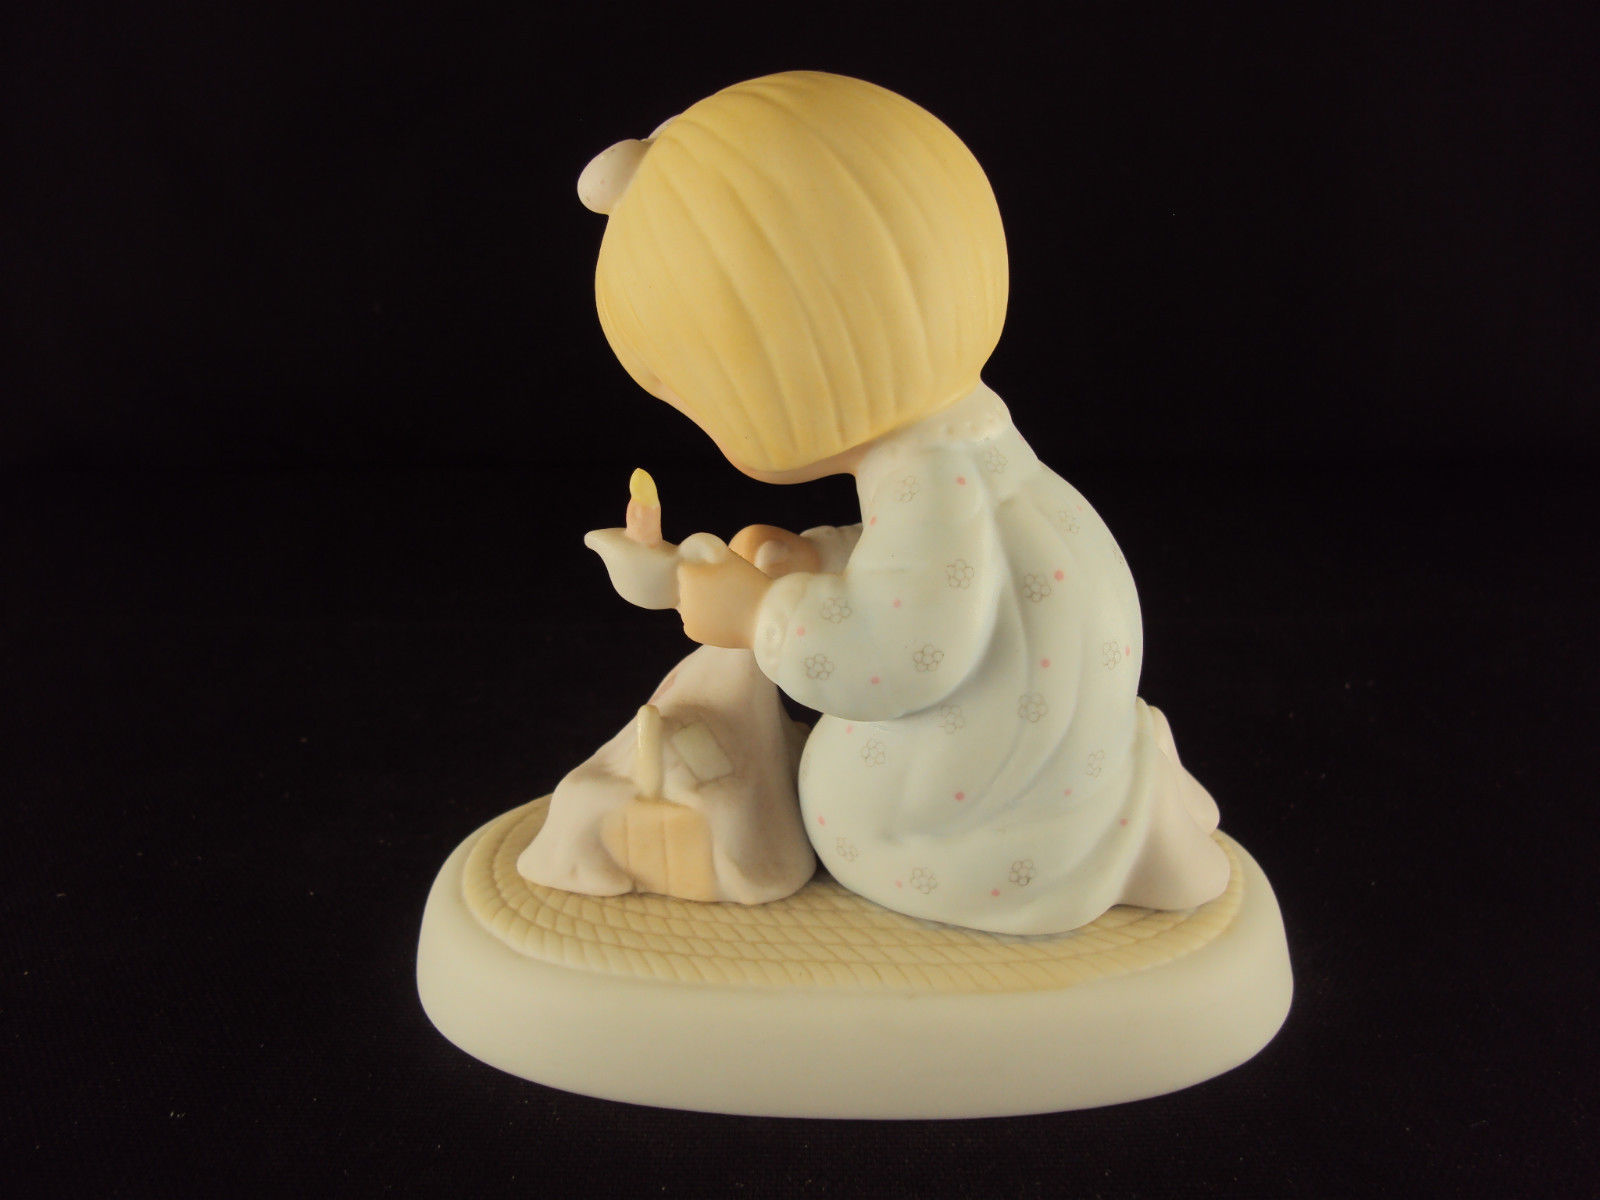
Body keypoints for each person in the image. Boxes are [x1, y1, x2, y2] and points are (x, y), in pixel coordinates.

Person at [577, 70, 1228, 934]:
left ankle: (1064, 849)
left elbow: (901, 654)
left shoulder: (932, 486)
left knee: (837, 804)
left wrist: (764, 616)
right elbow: (944, 578)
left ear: (789, 361)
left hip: (987, 816)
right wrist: (820, 560)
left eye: (690, 394)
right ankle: (1120, 813)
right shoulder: (970, 456)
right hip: (1061, 741)